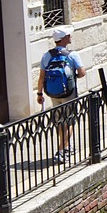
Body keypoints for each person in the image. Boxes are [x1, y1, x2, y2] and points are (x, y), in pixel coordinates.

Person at [36, 26, 86, 164]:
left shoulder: (47, 55)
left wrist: (40, 94)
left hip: (53, 93)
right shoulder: (72, 55)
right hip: (69, 93)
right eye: (69, 35)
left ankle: (66, 147)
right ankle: (61, 150)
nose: (70, 37)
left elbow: (41, 77)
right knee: (70, 120)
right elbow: (82, 73)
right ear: (64, 39)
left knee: (59, 121)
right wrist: (71, 77)